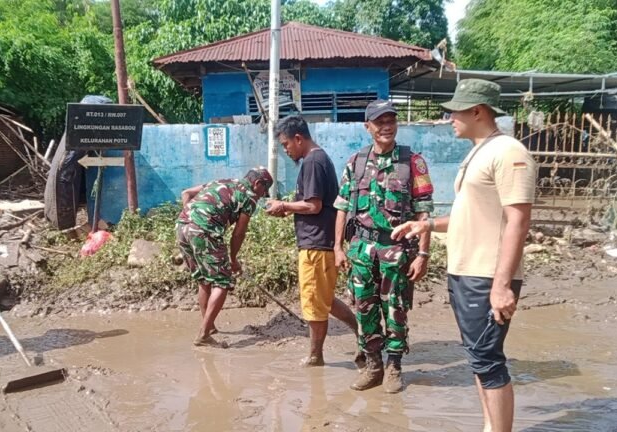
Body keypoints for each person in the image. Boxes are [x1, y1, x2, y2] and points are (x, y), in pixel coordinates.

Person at [392, 79, 536, 432]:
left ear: (478, 111)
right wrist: (426, 226)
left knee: (488, 360)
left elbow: (518, 219)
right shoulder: (478, 152)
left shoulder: (509, 152)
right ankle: (490, 426)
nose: (449, 118)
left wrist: (502, 286)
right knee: (477, 358)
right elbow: (470, 215)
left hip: (487, 274)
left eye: (455, 111)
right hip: (465, 271)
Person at [333, 100, 434, 392]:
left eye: (391, 120)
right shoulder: (356, 162)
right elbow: (341, 207)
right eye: (380, 122)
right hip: (362, 250)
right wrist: (338, 248)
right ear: (368, 127)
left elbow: (424, 212)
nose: (386, 126)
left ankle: (394, 367)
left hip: (397, 251)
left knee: (395, 309)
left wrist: (423, 254)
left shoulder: (413, 162)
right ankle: (373, 365)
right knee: (364, 308)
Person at [264, 115, 360, 368]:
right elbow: (313, 204)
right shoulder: (319, 159)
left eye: (286, 145)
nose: (286, 150)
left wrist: (283, 204)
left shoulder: (313, 161)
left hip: (316, 245)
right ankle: (362, 333)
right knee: (325, 299)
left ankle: (316, 356)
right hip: (321, 242)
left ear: (298, 138)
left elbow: (314, 205)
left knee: (314, 302)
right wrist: (289, 208)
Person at [177, 167, 273, 347]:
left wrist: (192, 219)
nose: (263, 195)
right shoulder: (249, 196)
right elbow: (239, 233)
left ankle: (209, 326)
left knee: (204, 280)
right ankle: (204, 334)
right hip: (205, 232)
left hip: (182, 227)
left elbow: (186, 193)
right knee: (222, 282)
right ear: (257, 183)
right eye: (264, 190)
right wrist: (233, 259)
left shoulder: (221, 182)